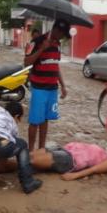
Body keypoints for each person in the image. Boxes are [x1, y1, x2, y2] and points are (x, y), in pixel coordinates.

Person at [0, 101, 42, 194]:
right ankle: (28, 182)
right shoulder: (13, 123)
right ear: (17, 116)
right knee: (22, 145)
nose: (18, 122)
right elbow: (8, 145)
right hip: (1, 145)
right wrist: (0, 165)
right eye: (19, 119)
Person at [24, 19, 69, 151]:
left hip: (52, 88)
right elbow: (27, 62)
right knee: (35, 121)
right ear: (56, 30)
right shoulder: (37, 41)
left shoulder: (57, 44)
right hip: (39, 88)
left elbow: (55, 65)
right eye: (62, 34)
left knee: (45, 120)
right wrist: (41, 49)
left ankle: (41, 148)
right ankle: (30, 151)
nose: (62, 37)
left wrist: (63, 85)